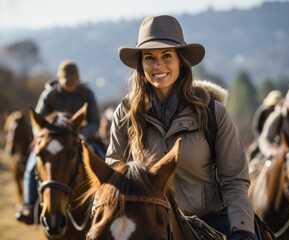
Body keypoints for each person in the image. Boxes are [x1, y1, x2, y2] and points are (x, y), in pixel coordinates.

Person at [105, 15, 255, 240]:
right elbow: (114, 171)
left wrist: (242, 228)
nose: (158, 65)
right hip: (149, 222)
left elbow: (235, 179)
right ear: (141, 64)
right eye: (149, 57)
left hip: (210, 218)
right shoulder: (125, 114)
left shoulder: (213, 112)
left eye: (167, 55)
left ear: (181, 61)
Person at [16, 60, 101, 224]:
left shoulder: (86, 94)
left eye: (73, 80)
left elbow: (95, 121)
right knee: (31, 166)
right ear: (59, 79)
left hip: (80, 138)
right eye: (66, 80)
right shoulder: (49, 95)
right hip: (51, 141)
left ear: (77, 79)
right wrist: (44, 140)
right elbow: (38, 124)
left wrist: (81, 134)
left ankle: (106, 200)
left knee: (103, 158)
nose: (70, 83)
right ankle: (29, 205)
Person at [247, 90, 283, 161]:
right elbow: (256, 128)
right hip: (262, 138)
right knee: (252, 153)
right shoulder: (262, 111)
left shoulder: (281, 114)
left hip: (277, 140)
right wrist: (261, 139)